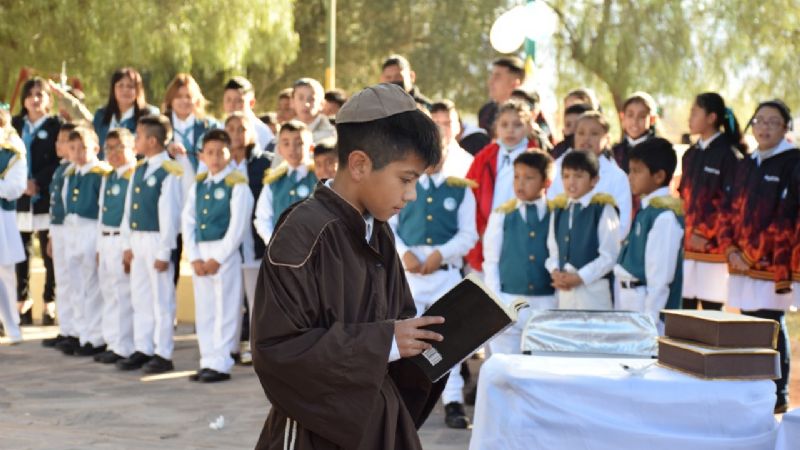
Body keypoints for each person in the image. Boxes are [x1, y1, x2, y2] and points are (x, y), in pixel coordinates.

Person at [252, 82, 446, 450]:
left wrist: (437, 344)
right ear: (359, 164)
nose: (411, 194)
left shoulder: (380, 231)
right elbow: (276, 350)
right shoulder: (303, 232)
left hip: (381, 424)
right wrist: (384, 341)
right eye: (406, 179)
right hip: (315, 434)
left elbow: (396, 327)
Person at [389, 148, 478, 430]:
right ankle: (401, 400)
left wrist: (442, 253)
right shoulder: (402, 185)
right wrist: (404, 253)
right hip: (410, 275)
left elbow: (469, 234)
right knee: (405, 339)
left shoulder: (460, 190)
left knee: (448, 342)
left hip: (444, 273)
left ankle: (452, 400)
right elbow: (389, 226)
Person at [720, 100, 799, 414]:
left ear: (785, 128)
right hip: (740, 263)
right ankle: (754, 389)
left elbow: (788, 217)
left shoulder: (793, 162)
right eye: (759, 121)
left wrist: (751, 256)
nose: (764, 127)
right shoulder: (746, 163)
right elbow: (728, 210)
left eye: (773, 122)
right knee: (748, 323)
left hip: (771, 264)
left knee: (771, 324)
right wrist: (730, 249)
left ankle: (778, 394)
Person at [183, 129, 254, 382]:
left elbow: (238, 228)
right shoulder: (199, 185)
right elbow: (188, 221)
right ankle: (207, 359)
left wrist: (218, 258)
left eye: (220, 152)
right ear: (202, 155)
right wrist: (194, 256)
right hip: (201, 253)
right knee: (206, 310)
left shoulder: (237, 185)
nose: (215, 158)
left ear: (230, 154)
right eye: (210, 152)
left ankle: (221, 362)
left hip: (224, 254)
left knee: (226, 309)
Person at [116, 115, 183, 374]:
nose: (136, 140)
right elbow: (128, 210)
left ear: (153, 141)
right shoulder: (140, 169)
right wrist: (127, 243)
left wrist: (165, 250)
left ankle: (162, 352)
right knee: (141, 296)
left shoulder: (170, 171)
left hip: (157, 240)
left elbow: (169, 215)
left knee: (161, 300)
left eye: (139, 136)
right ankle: (143, 347)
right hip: (138, 238)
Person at [484, 152, 556, 353]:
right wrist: (496, 299)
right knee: (506, 363)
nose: (520, 183)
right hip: (509, 298)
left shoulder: (556, 213)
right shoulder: (502, 214)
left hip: (545, 300)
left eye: (529, 177)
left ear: (546, 181)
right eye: (517, 176)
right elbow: (491, 260)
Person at [680, 93, 744, 311]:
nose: (689, 118)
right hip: (688, 249)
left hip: (714, 251)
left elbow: (731, 204)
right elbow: (683, 198)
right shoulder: (690, 154)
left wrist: (706, 234)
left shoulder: (729, 156)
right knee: (684, 312)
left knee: (711, 316)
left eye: (694, 112)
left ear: (711, 117)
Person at [614, 138, 684, 331]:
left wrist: (649, 322)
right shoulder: (648, 209)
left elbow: (659, 278)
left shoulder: (664, 217)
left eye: (637, 171)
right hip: (629, 299)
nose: (630, 177)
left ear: (659, 176)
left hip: (644, 305)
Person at [465, 100, 539, 276]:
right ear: (496, 127)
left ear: (528, 128)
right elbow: (469, 196)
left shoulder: (537, 159)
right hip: (485, 237)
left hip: (523, 239)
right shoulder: (484, 158)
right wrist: (482, 230)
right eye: (504, 125)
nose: (510, 130)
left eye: (517, 125)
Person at [12, 77, 61, 326]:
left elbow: (59, 159)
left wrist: (38, 182)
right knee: (21, 251)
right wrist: (20, 183)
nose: (35, 98)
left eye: (40, 94)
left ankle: (49, 302)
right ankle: (23, 301)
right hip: (19, 198)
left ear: (48, 99)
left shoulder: (55, 126)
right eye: (30, 94)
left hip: (46, 197)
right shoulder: (15, 125)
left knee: (49, 250)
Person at [545, 150, 620, 309]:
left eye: (578, 176)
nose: (571, 182)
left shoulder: (603, 209)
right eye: (566, 176)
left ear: (594, 180)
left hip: (594, 293)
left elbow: (610, 255)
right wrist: (555, 272)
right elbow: (553, 251)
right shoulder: (559, 210)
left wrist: (580, 277)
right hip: (565, 293)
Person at [224, 112, 272, 363]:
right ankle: (228, 348)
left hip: (254, 243)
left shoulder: (265, 163)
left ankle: (256, 349)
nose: (236, 134)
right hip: (227, 245)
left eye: (241, 128)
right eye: (230, 128)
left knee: (256, 301)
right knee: (230, 299)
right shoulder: (219, 164)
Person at [62, 126, 109, 356]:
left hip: (91, 229)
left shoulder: (101, 173)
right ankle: (81, 333)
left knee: (93, 284)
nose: (78, 153)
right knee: (76, 284)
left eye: (83, 148)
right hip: (73, 231)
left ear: (96, 149)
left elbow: (103, 210)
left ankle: (96, 336)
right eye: (73, 148)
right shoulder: (70, 174)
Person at [548, 111, 633, 239]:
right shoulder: (557, 168)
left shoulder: (617, 177)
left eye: (594, 134)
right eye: (581, 133)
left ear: (607, 139)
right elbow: (550, 209)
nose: (586, 138)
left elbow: (622, 225)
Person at [94, 128, 137, 364]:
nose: (113, 153)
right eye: (109, 148)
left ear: (132, 149)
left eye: (119, 147)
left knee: (123, 294)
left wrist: (125, 246)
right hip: (106, 239)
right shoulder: (108, 177)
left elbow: (128, 215)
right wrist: (99, 247)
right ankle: (112, 342)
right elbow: (102, 212)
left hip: (122, 239)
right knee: (109, 292)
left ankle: (125, 345)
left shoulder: (133, 175)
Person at [253, 120, 318, 244]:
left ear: (311, 148)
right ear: (279, 149)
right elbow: (262, 218)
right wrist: (274, 243)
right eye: (286, 143)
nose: (292, 149)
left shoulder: (318, 177)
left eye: (299, 143)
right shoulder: (273, 181)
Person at [42, 122, 76, 349]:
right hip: (59, 229)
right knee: (62, 281)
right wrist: (52, 236)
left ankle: (77, 331)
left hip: (73, 230)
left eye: (64, 141)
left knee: (75, 282)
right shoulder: (61, 169)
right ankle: (66, 328)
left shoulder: (76, 171)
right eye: (58, 140)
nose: (58, 145)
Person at [0, 110, 26, 344]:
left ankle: (12, 326)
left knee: (4, 274)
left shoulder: (12, 155)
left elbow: (15, 188)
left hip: (1, 220)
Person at [163, 73, 221, 172]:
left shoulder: (210, 127)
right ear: (170, 99)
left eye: (189, 96)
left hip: (200, 183)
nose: (184, 101)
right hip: (167, 183)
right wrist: (167, 149)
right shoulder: (160, 125)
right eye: (179, 96)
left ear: (197, 100)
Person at [92, 67, 159, 152]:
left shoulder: (149, 115)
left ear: (138, 90)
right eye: (120, 85)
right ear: (113, 89)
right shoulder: (101, 114)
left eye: (130, 86)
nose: (125, 90)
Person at [222, 76, 274, 153]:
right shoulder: (219, 129)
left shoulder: (263, 133)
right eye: (228, 100)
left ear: (251, 103)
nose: (232, 105)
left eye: (239, 101)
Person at [611, 91, 659, 173]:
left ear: (652, 119)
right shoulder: (615, 152)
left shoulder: (659, 151)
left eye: (642, 116)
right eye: (630, 115)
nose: (635, 121)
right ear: (622, 117)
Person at [477, 56, 525, 134]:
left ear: (514, 83)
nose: (490, 81)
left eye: (497, 77)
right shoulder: (485, 112)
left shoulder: (529, 113)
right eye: (491, 76)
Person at [430, 100, 474, 177]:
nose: (441, 129)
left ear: (458, 126)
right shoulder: (418, 159)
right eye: (436, 123)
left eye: (447, 123)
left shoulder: (468, 162)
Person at [291, 78, 337, 144]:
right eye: (300, 98)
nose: (306, 104)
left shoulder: (330, 133)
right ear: (292, 101)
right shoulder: (284, 132)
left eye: (311, 99)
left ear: (322, 104)